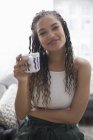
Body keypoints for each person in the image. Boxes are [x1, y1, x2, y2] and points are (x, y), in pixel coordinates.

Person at [13, 10, 91, 140]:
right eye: (43, 33)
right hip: (32, 132)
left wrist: (32, 112)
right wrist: (22, 81)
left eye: (55, 27)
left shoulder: (82, 66)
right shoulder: (33, 65)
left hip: (66, 132)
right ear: (38, 40)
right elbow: (21, 113)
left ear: (64, 29)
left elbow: (74, 117)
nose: (51, 35)